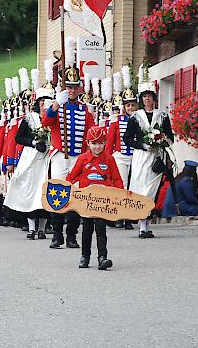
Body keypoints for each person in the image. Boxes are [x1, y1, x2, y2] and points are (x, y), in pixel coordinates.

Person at [42, 64, 95, 249]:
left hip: (78, 157)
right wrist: (56, 104)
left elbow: (91, 132)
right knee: (57, 192)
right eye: (69, 87)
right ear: (64, 88)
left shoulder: (84, 109)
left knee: (76, 195)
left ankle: (71, 235)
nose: (72, 90)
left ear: (79, 88)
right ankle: (57, 235)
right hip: (59, 156)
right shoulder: (56, 106)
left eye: (74, 87)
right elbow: (45, 122)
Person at [123, 76, 174, 238]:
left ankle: (147, 224)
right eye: (145, 96)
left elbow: (170, 136)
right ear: (141, 99)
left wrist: (163, 141)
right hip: (141, 156)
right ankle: (141, 225)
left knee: (153, 189)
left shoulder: (163, 116)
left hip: (156, 157)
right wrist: (143, 145)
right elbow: (127, 139)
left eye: (150, 96)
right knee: (140, 188)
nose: (147, 99)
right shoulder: (135, 117)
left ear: (154, 98)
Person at [4, 79, 54, 240]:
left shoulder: (54, 119)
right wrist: (33, 142)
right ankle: (32, 228)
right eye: (42, 101)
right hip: (32, 158)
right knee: (30, 191)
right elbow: (19, 138)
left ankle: (42, 228)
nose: (44, 104)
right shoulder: (29, 118)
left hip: (47, 158)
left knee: (44, 192)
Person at [65, 127, 121, 270]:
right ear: (88, 143)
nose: (97, 147)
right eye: (94, 143)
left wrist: (121, 197)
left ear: (105, 143)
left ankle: (102, 257)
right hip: (86, 203)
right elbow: (71, 177)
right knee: (87, 229)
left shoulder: (110, 160)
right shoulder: (82, 159)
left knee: (101, 229)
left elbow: (117, 180)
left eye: (101, 143)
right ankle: (85, 256)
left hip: (103, 202)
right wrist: (67, 190)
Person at [106, 83, 138, 230]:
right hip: (121, 157)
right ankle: (120, 216)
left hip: (136, 157)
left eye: (132, 105)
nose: (130, 108)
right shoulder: (116, 120)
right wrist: (106, 159)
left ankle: (130, 217)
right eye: (128, 105)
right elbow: (110, 141)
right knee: (122, 186)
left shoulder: (141, 119)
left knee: (134, 186)